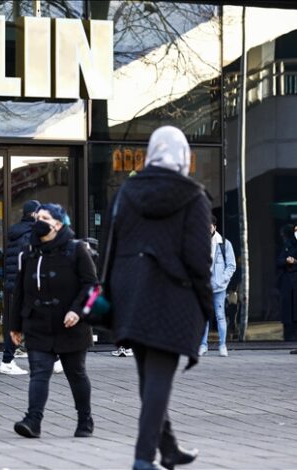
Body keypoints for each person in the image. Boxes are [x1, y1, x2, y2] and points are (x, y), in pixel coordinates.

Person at [107, 126, 212, 470]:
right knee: (158, 380)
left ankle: (168, 449)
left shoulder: (127, 193)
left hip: (129, 295)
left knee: (148, 377)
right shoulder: (193, 196)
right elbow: (199, 260)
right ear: (182, 156)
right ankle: (142, 457)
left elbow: (113, 245)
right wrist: (206, 304)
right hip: (173, 298)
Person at [9, 203, 97, 439]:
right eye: (37, 217)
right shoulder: (29, 251)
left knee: (76, 373)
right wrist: (14, 325)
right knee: (39, 371)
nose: (39, 221)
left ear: (58, 224)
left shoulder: (76, 250)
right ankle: (32, 420)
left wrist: (77, 311)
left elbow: (92, 286)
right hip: (38, 324)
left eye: (45, 218)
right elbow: (20, 290)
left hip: (71, 326)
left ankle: (84, 419)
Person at [1, 200, 39, 376]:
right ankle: (7, 360)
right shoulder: (29, 234)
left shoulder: (17, 233)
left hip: (15, 282)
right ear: (33, 214)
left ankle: (51, 358)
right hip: (24, 283)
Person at [200, 216, 236, 357]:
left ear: (214, 227)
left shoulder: (224, 244)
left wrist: (223, 280)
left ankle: (222, 345)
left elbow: (231, 265)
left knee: (220, 316)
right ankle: (203, 345)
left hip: (219, 287)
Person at [277, 223, 297, 343]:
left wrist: (295, 261)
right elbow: (279, 261)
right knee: (288, 311)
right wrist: (286, 260)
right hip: (288, 282)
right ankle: (289, 338)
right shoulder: (287, 245)